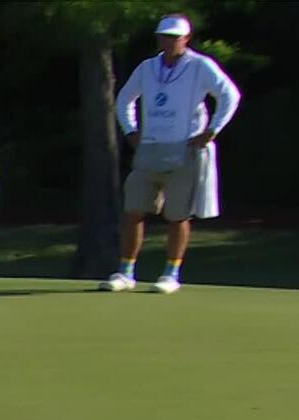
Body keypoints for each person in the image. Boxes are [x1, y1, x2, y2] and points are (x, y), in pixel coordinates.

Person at [103, 13, 241, 294]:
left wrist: (211, 130)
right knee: (133, 211)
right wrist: (131, 131)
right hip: (150, 147)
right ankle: (126, 271)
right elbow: (125, 99)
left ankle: (170, 273)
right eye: (165, 36)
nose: (169, 41)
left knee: (177, 215)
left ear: (186, 39)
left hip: (184, 148)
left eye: (175, 37)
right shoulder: (147, 68)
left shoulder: (201, 66)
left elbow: (229, 95)